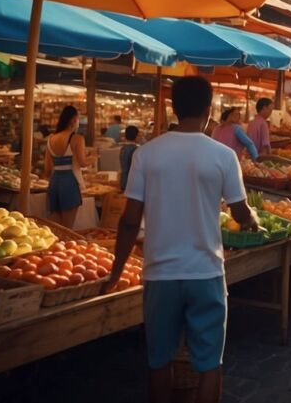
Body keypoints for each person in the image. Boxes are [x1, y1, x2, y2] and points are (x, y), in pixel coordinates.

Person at [105, 76, 258, 403]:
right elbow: (241, 211)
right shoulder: (223, 156)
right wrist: (252, 221)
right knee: (209, 365)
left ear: (174, 108)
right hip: (206, 273)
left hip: (160, 275)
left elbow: (130, 220)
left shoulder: (146, 154)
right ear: (208, 108)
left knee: (159, 361)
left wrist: (116, 273)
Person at [44, 106, 95, 228]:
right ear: (73, 120)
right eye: (78, 119)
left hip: (54, 182)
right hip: (70, 182)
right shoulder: (77, 138)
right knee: (67, 227)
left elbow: (47, 168)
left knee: (55, 227)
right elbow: (82, 163)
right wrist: (93, 158)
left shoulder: (51, 139)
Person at [119, 126, 140, 191]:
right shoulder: (135, 150)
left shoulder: (123, 148)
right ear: (136, 136)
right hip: (131, 183)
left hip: (123, 181)